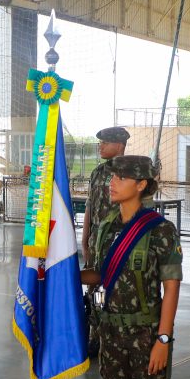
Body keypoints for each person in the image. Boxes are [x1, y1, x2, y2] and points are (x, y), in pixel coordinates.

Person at [81, 155, 182, 379]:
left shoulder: (159, 229)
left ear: (141, 185)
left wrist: (163, 340)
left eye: (121, 177)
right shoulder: (108, 225)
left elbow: (172, 287)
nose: (112, 182)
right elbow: (101, 275)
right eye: (113, 176)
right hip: (110, 329)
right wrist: (68, 276)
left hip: (145, 332)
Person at [82, 126, 129, 358]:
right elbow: (90, 205)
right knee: (94, 290)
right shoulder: (98, 172)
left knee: (116, 290)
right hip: (96, 242)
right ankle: (94, 337)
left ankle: (116, 339)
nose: (100, 146)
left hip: (118, 243)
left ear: (119, 145)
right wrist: (85, 238)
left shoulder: (130, 172)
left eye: (105, 142)